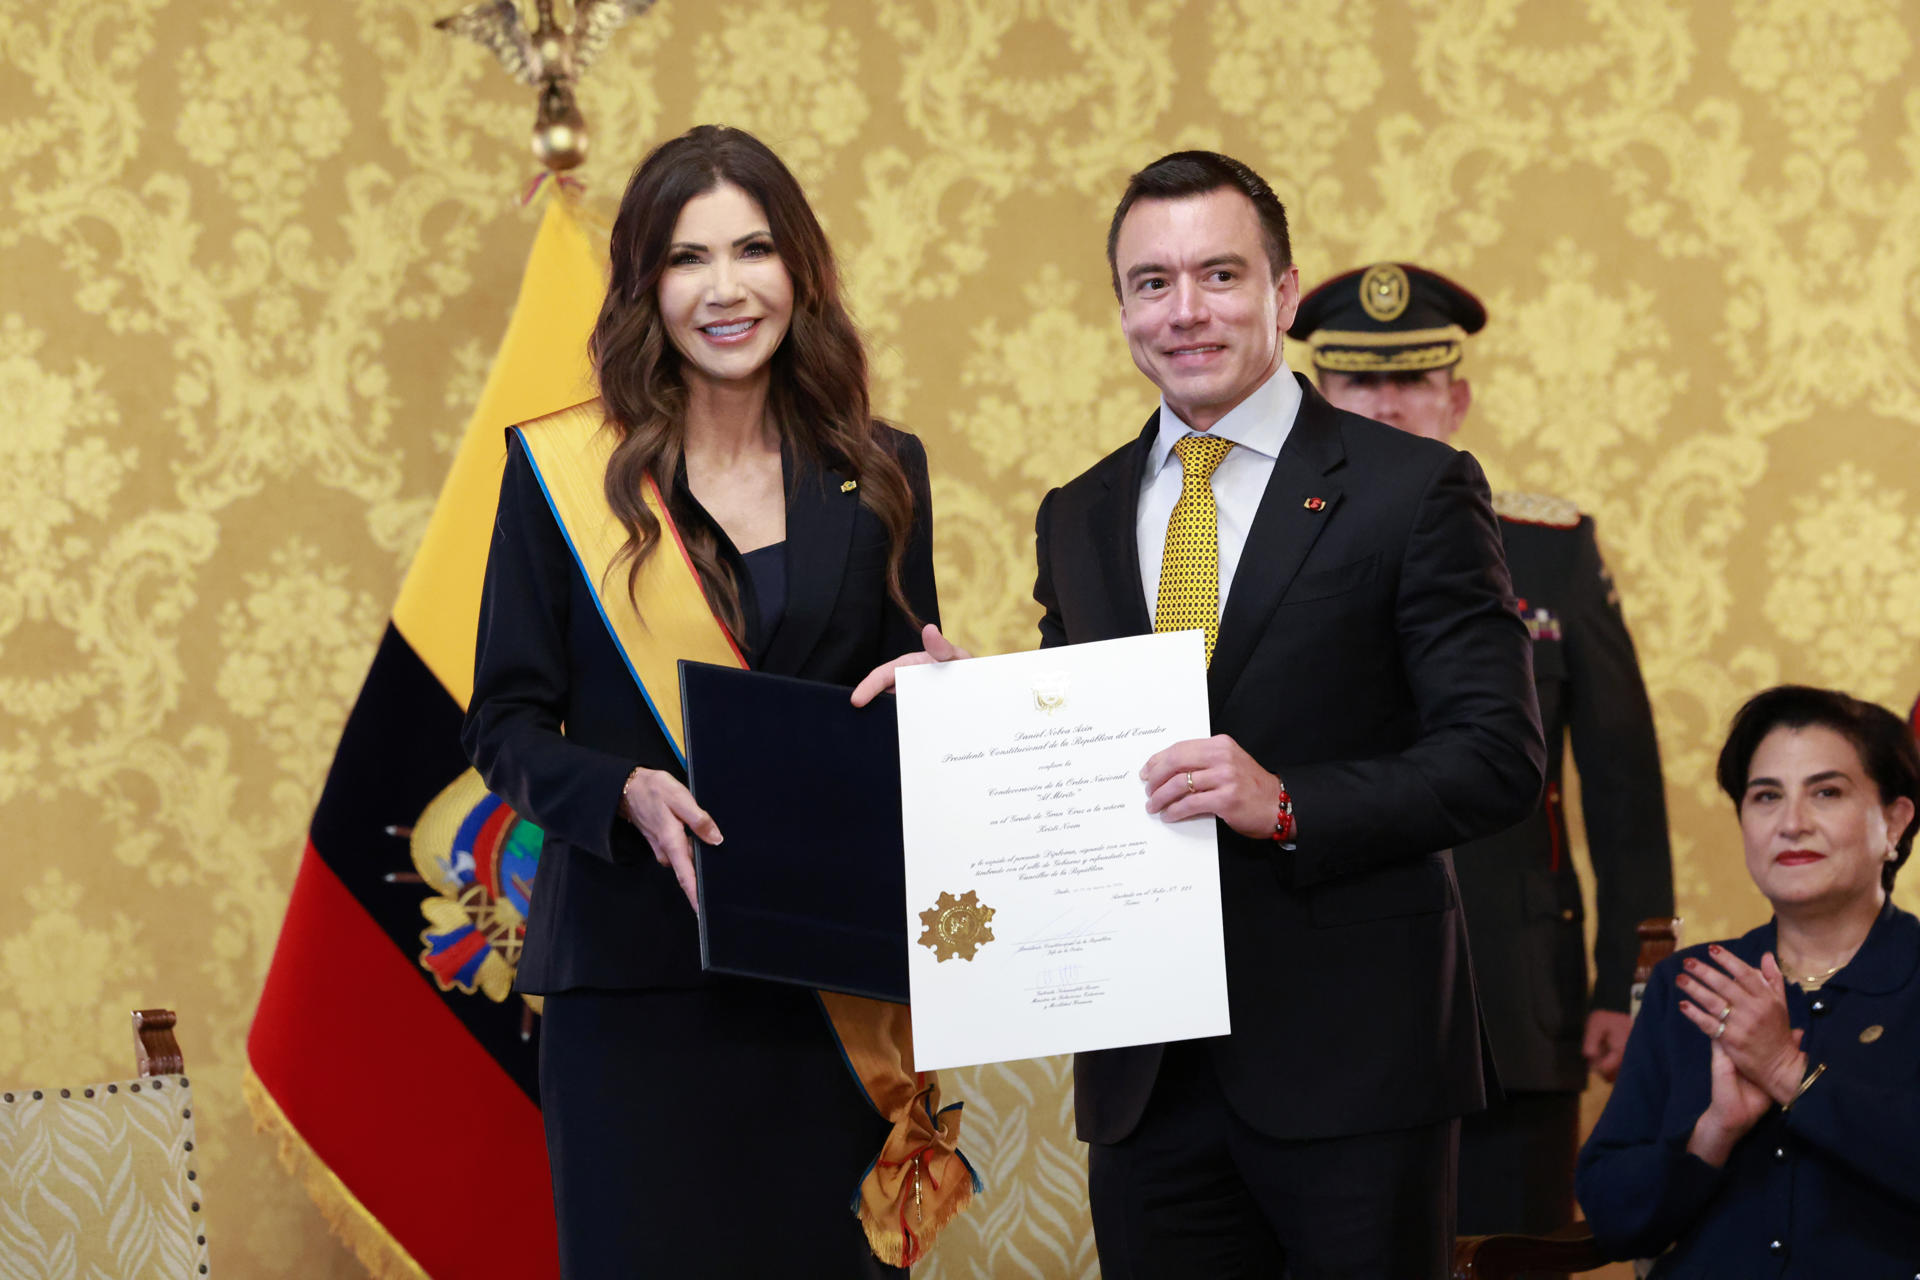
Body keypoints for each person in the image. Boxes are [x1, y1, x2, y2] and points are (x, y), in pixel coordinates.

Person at [1034, 151, 1545, 1278]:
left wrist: (1288, 803)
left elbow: (1497, 756)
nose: (1186, 311)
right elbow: (1072, 744)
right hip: (1145, 1074)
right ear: (1121, 307)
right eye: (1152, 282)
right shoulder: (1079, 513)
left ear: (1283, 291)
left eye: (1219, 274)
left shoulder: (1415, 488)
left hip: (1356, 1068)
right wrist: (970, 710)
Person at [462, 125, 950, 1278]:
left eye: (754, 250)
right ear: (647, 285)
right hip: (632, 988)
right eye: (689, 259)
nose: (726, 289)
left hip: (830, 988)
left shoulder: (882, 470)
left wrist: (946, 700)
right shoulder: (567, 477)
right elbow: (503, 725)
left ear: (802, 273)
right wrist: (621, 789)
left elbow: (895, 697)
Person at [1290, 264, 1676, 1244]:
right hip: (1325, 992)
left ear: (1454, 397)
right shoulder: (1270, 558)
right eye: (1358, 385)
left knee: (1514, 1256)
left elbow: (1624, 785)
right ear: (1316, 400)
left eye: (1411, 382)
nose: (1386, 404)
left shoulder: (1547, 550)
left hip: (1517, 996)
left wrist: (1628, 985)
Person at [1576, 684, 1920, 1273]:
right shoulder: (1691, 984)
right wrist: (1711, 1136)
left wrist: (1791, 1076)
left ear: (1894, 820)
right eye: (1765, 797)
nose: (1791, 823)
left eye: (1827, 792)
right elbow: (1612, 1214)